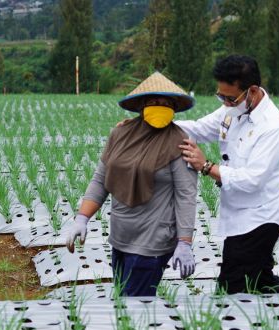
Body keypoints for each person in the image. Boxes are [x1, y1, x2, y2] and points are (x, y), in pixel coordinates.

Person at [66, 72, 198, 297]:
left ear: (175, 108)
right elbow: (101, 179)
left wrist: (184, 242)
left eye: (167, 103)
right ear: (142, 105)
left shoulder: (180, 142)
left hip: (153, 240)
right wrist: (82, 218)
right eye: (154, 101)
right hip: (121, 235)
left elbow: (186, 195)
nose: (160, 106)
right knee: (124, 301)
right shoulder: (121, 134)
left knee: (134, 305)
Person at [176, 55, 279, 294]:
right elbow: (199, 128)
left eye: (230, 98)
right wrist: (149, 125)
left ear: (252, 91)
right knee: (260, 279)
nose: (226, 103)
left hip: (259, 219)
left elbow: (252, 180)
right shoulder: (231, 111)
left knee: (232, 287)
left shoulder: (273, 128)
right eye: (221, 96)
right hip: (238, 216)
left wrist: (205, 166)